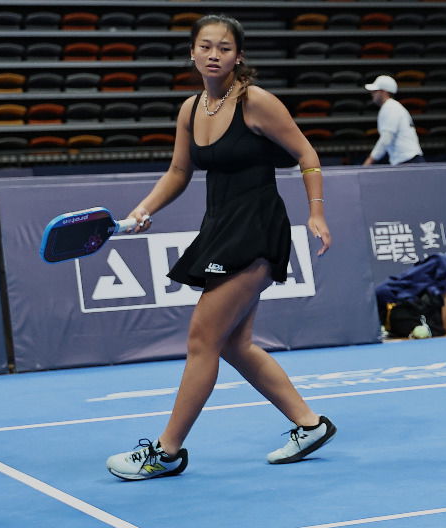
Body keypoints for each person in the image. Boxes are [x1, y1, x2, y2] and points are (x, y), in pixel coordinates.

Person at [105, 14, 337, 481]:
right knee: (235, 343)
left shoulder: (256, 102)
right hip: (220, 225)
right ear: (192, 52)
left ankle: (166, 452)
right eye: (206, 46)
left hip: (255, 227)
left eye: (224, 48)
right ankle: (310, 424)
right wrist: (140, 212)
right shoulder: (191, 110)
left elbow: (307, 154)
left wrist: (316, 212)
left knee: (202, 339)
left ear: (239, 56)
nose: (214, 54)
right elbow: (178, 172)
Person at [362, 74, 424, 165]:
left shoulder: (390, 108)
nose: (372, 94)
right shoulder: (394, 107)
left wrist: (370, 160)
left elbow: (386, 138)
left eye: (375, 91)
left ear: (384, 92)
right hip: (408, 160)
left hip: (408, 161)